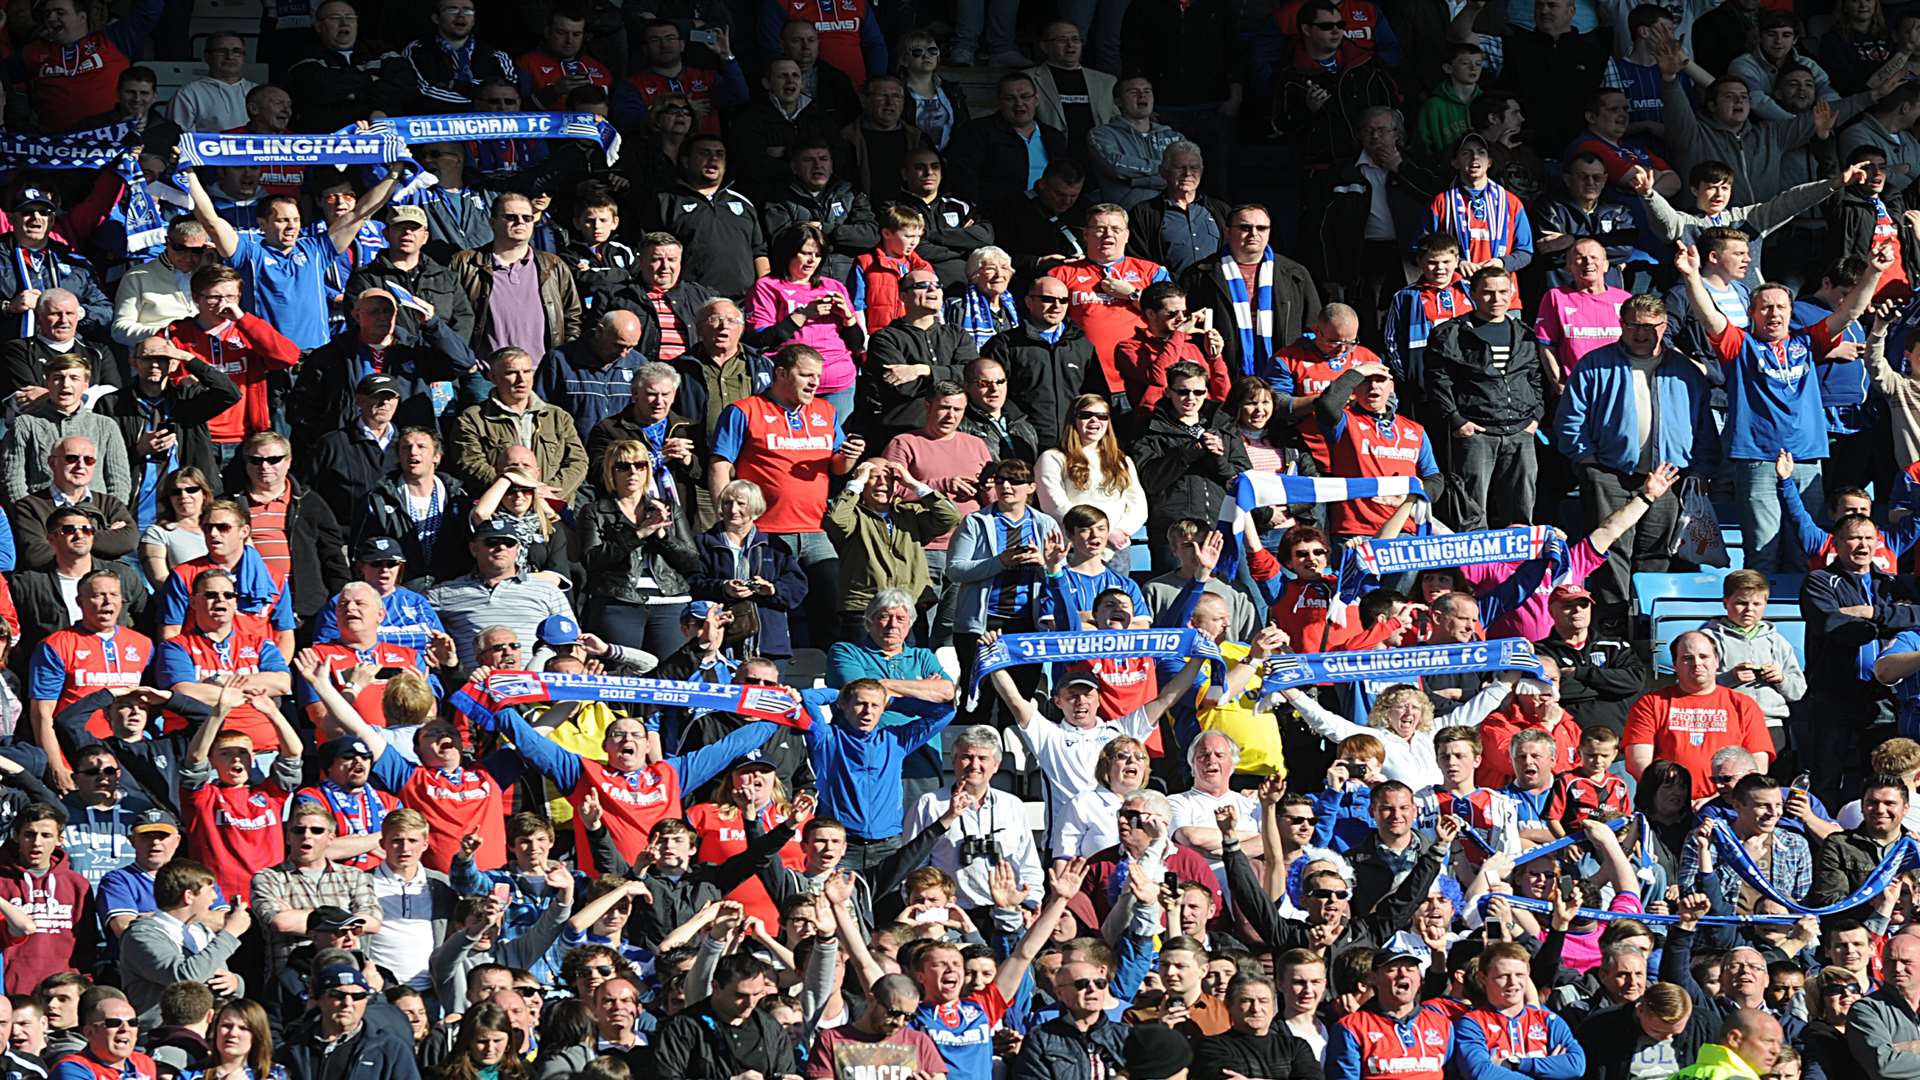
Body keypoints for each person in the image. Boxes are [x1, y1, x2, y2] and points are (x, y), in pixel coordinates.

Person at [1552, 293, 1716, 611]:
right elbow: (1570, 419)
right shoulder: (1594, 364)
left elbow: (1703, 424)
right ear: (1621, 325)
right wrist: (1586, 458)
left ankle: (1647, 622)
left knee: (1657, 552)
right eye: (1633, 326)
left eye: (1649, 326)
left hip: (1667, 476)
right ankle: (1613, 620)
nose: (1641, 333)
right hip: (1609, 472)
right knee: (1610, 548)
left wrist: (1701, 468)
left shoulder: (1685, 370)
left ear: (1664, 326)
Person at [118, 859, 249, 1029]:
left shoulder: (200, 931)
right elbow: (184, 977)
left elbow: (217, 972)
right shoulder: (142, 935)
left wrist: (235, 982)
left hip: (208, 1034)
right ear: (188, 896)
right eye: (210, 890)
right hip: (162, 1038)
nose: (215, 897)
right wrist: (230, 934)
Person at [10, 437, 139, 574]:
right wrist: (104, 535)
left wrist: (64, 541)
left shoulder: (110, 504)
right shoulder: (29, 506)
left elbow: (129, 541)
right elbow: (37, 555)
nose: (81, 465)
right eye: (71, 458)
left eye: (89, 460)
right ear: (52, 462)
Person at [946, 74, 1071, 207]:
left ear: (1036, 100)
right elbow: (964, 180)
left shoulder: (1053, 137)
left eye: (1025, 97)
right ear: (999, 102)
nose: (1019, 104)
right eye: (1010, 99)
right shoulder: (976, 132)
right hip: (995, 215)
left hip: (1045, 213)